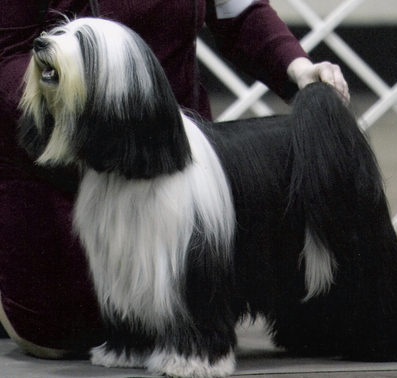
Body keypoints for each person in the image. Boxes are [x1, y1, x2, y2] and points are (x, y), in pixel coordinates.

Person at [0, 0, 349, 359]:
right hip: (61, 172)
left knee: (192, 312)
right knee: (71, 332)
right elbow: (6, 53)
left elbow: (240, 13)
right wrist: (78, 108)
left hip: (175, 155)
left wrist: (299, 67)